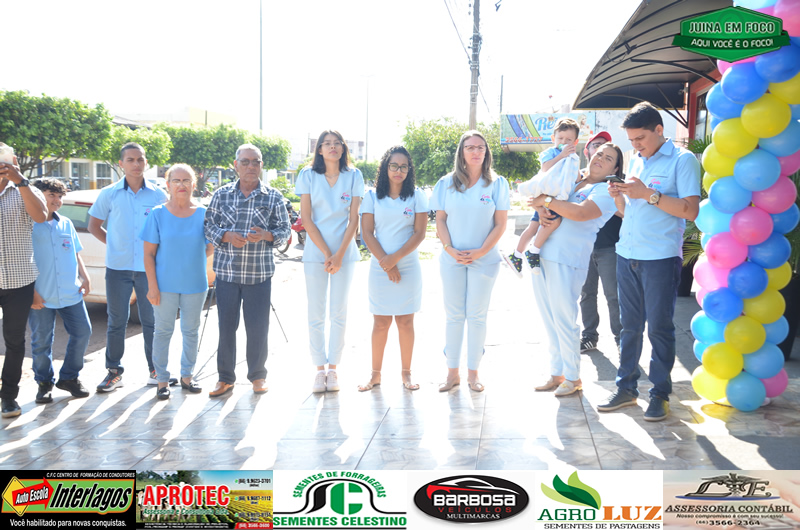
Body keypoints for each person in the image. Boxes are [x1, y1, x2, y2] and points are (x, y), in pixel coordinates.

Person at [597, 102, 701, 421]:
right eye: (631, 140)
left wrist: (648, 194)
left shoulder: (683, 160)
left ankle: (659, 394)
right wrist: (620, 198)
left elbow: (690, 211)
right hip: (627, 253)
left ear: (659, 129)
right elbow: (632, 211)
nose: (636, 145)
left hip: (660, 258)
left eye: (640, 138)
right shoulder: (636, 159)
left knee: (659, 328)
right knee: (629, 328)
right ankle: (626, 388)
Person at [529, 144, 623, 396]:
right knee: (550, 319)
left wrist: (546, 200)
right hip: (543, 253)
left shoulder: (605, 191)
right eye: (599, 153)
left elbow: (581, 213)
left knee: (564, 319)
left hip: (567, 259)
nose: (600, 158)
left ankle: (573, 377)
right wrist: (540, 205)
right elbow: (540, 195)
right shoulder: (573, 179)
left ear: (615, 169)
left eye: (608, 158)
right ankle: (556, 373)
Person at [204, 144, 290, 397]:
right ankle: (225, 378)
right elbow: (208, 225)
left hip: (258, 274)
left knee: (258, 328)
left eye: (256, 162)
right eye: (245, 162)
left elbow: (285, 230)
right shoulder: (221, 195)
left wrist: (267, 235)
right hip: (227, 273)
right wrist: (226, 236)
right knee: (226, 327)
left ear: (261, 165)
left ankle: (258, 376)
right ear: (236, 165)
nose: (251, 166)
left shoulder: (273, 197)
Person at [430, 130, 509, 392]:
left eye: (480, 147)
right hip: (452, 259)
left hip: (485, 260)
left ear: (486, 152)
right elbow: (440, 220)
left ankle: (473, 373)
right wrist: (449, 248)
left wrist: (481, 251)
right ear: (461, 153)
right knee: (454, 315)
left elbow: (500, 224)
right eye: (470, 147)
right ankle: (452, 373)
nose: (476, 152)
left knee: (477, 316)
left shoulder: (497, 184)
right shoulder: (446, 183)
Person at [88, 142, 169, 392]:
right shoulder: (109, 193)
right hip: (118, 268)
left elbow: (166, 230)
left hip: (149, 269)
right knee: (116, 321)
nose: (136, 164)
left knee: (152, 321)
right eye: (130, 160)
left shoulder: (158, 195)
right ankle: (114, 372)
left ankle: (156, 370)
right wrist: (114, 244)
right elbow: (93, 226)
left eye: (140, 159)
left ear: (146, 162)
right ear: (121, 164)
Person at [294, 130, 364, 393]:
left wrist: (339, 254)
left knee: (338, 311)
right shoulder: (307, 175)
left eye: (337, 143)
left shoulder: (354, 176)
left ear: (343, 148)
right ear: (320, 149)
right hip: (316, 255)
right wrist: (326, 253)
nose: (332, 147)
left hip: (345, 253)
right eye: (327, 144)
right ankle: (319, 369)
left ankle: (333, 368)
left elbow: (354, 219)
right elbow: (307, 219)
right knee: (316, 312)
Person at [358, 146, 428, 392]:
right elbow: (367, 233)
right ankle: (375, 375)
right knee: (380, 323)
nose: (399, 171)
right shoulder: (371, 196)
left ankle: (406, 374)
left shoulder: (417, 196)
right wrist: (386, 263)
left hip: (407, 266)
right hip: (380, 267)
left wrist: (395, 259)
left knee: (406, 322)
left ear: (409, 170)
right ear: (385, 167)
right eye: (394, 166)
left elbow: (419, 233)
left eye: (404, 166)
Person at [142, 164, 213, 400]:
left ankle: (187, 376)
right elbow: (148, 254)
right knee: (163, 331)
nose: (181, 185)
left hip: (195, 284)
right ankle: (162, 380)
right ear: (168, 184)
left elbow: (210, 246)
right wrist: (152, 286)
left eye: (186, 181)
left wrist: (192, 260)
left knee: (191, 331)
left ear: (194, 184)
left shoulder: (204, 214)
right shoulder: (157, 214)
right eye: (176, 181)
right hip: (164, 286)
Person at [29, 178, 92, 404]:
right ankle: (44, 382)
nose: (57, 200)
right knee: (41, 341)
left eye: (59, 196)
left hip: (70, 292)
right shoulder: (27, 225)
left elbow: (75, 252)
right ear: (38, 196)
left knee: (83, 331)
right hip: (41, 294)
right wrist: (31, 293)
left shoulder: (66, 223)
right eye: (51, 195)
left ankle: (69, 377)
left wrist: (85, 276)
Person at [0, 143, 47, 418]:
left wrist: (20, 181)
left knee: (15, 341)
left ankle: (8, 397)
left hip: (19, 281)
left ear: (14, 160)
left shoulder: (26, 190)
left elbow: (40, 216)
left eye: (5, 159)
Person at [504, 118, 581, 277]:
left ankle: (516, 256)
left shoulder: (573, 158)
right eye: (560, 138)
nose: (564, 142)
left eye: (568, 140)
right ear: (553, 138)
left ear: (575, 142)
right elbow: (545, 168)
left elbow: (575, 176)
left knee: (534, 227)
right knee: (553, 222)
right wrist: (562, 156)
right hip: (547, 194)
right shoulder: (550, 152)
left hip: (555, 197)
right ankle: (533, 251)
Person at [577, 131, 623, 353]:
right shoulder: (576, 179)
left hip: (609, 247)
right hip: (583, 247)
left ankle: (621, 339)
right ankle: (589, 336)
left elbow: (627, 213)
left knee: (613, 295)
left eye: (606, 149)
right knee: (586, 294)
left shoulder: (617, 184)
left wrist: (612, 202)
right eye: (597, 146)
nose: (600, 152)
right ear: (588, 151)